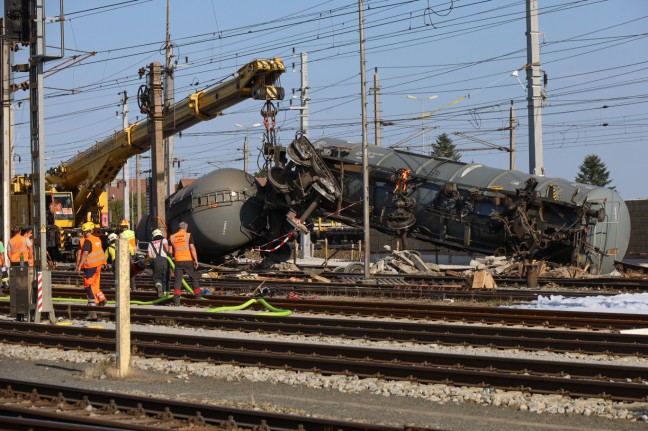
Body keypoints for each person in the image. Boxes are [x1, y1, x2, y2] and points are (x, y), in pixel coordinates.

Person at [169, 221, 201, 306]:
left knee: (177, 281)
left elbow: (170, 251)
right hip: (188, 260)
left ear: (179, 228)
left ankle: (176, 301)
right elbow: (192, 248)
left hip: (178, 261)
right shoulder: (188, 235)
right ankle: (198, 297)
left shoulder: (172, 237)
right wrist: (196, 260)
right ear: (186, 228)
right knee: (193, 278)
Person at [75, 222, 107, 307]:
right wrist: (104, 263)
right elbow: (101, 252)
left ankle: (92, 302)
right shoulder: (97, 239)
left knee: (88, 284)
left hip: (90, 266)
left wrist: (79, 266)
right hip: (98, 266)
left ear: (85, 231)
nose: (82, 233)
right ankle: (101, 298)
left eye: (83, 231)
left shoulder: (87, 241)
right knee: (95, 284)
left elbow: (84, 253)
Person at [147, 228, 170, 297]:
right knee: (165, 277)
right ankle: (166, 294)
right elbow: (166, 248)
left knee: (157, 278)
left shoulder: (150, 243)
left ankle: (159, 287)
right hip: (164, 260)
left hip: (155, 261)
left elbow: (150, 256)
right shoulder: (164, 240)